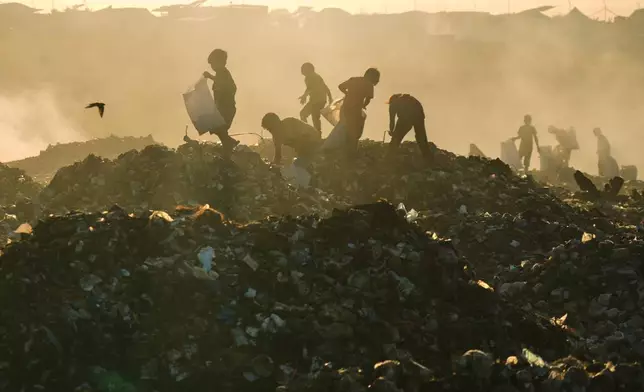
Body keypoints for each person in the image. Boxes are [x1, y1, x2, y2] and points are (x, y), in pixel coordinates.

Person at [338, 68, 380, 156]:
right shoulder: (369, 85)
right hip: (356, 109)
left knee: (348, 126)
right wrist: (364, 105)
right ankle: (351, 151)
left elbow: (340, 86)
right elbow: (368, 99)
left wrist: (347, 93)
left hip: (346, 107)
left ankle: (346, 148)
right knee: (355, 129)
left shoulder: (354, 79)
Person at [203, 49, 239, 151]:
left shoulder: (224, 73)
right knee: (219, 129)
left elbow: (226, 85)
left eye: (213, 63)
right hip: (223, 108)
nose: (212, 66)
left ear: (221, 62)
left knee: (219, 128)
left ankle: (230, 144)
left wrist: (210, 76)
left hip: (226, 108)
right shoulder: (221, 74)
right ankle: (229, 145)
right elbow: (220, 81)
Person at [386, 94, 431, 160]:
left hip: (407, 116)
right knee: (421, 138)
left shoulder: (393, 104)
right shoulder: (411, 100)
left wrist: (392, 131)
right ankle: (428, 158)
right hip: (418, 114)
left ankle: (389, 157)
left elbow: (392, 120)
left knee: (396, 138)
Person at [299, 63, 333, 132]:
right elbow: (324, 87)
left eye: (303, 69)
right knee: (307, 115)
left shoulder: (312, 76)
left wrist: (304, 96)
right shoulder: (314, 76)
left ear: (309, 69)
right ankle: (311, 132)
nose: (301, 71)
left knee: (309, 115)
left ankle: (313, 133)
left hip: (317, 101)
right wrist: (330, 97)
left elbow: (311, 88)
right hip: (318, 100)